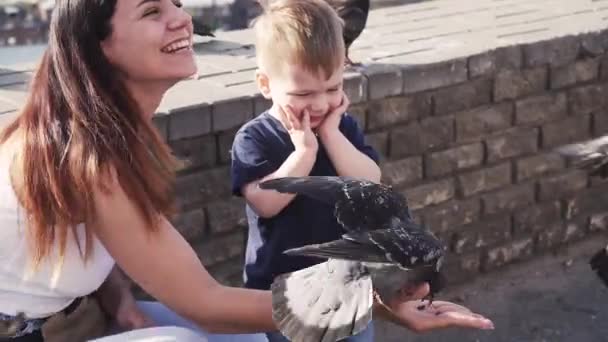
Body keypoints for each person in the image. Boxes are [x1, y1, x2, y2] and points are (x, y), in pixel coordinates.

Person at [0, 0, 493, 341]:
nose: (180, 18)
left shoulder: (102, 131)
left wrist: (117, 298)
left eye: (174, 3)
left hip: (74, 320)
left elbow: (74, 243)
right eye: (152, 11)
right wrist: (376, 302)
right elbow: (205, 303)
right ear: (99, 47)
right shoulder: (88, 154)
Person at [230, 1, 493, 341]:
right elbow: (265, 203)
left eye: (333, 88)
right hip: (282, 292)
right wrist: (305, 151)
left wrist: (330, 135)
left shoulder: (341, 129)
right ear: (266, 84)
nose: (321, 104)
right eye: (304, 93)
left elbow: (370, 182)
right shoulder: (255, 137)